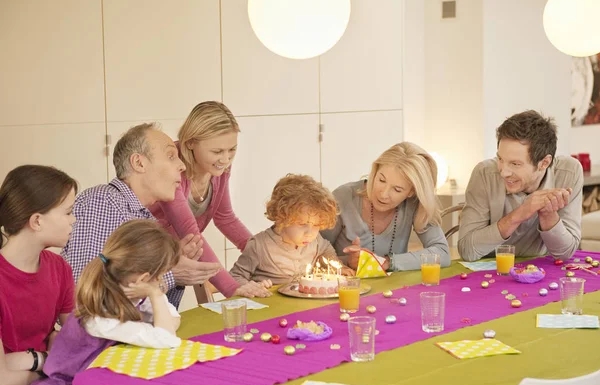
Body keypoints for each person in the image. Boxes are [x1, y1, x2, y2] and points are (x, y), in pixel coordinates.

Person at [62, 123, 218, 308]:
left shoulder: (147, 220)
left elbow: (152, 311)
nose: (182, 166)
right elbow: (85, 298)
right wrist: (170, 273)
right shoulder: (103, 201)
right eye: (171, 156)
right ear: (139, 163)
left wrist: (168, 265)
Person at [29, 220, 181, 385]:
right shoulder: (100, 316)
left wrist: (155, 297)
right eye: (161, 275)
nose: (161, 282)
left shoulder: (133, 294)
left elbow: (173, 321)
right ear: (143, 279)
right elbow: (168, 338)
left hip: (101, 377)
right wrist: (156, 295)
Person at [151, 101, 271, 299]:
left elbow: (225, 217)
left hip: (179, 261)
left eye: (232, 149)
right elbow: (190, 231)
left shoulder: (219, 168)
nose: (226, 159)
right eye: (217, 152)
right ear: (190, 142)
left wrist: (263, 255)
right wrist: (232, 287)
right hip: (150, 266)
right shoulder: (172, 167)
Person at [458, 110, 583, 261]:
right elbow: (466, 250)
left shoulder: (568, 172)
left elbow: (565, 254)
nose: (504, 172)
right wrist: (520, 214)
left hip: (543, 272)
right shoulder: (484, 174)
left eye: (515, 164)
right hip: (491, 271)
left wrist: (548, 213)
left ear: (544, 163)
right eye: (500, 159)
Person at [0, 165, 77, 385]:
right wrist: (45, 362)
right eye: (68, 211)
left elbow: (75, 341)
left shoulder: (59, 268)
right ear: (37, 221)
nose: (73, 220)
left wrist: (34, 359)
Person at [321, 142, 450, 271]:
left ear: (411, 192)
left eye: (397, 189)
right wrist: (346, 261)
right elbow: (312, 251)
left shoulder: (414, 203)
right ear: (375, 171)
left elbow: (442, 253)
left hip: (394, 289)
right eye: (381, 180)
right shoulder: (343, 197)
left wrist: (388, 262)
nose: (383, 194)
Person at [230, 174, 354, 285]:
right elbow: (235, 277)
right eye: (301, 224)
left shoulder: (315, 241)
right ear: (281, 217)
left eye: (316, 225)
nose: (310, 233)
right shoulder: (259, 246)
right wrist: (251, 287)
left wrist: (337, 266)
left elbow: (325, 249)